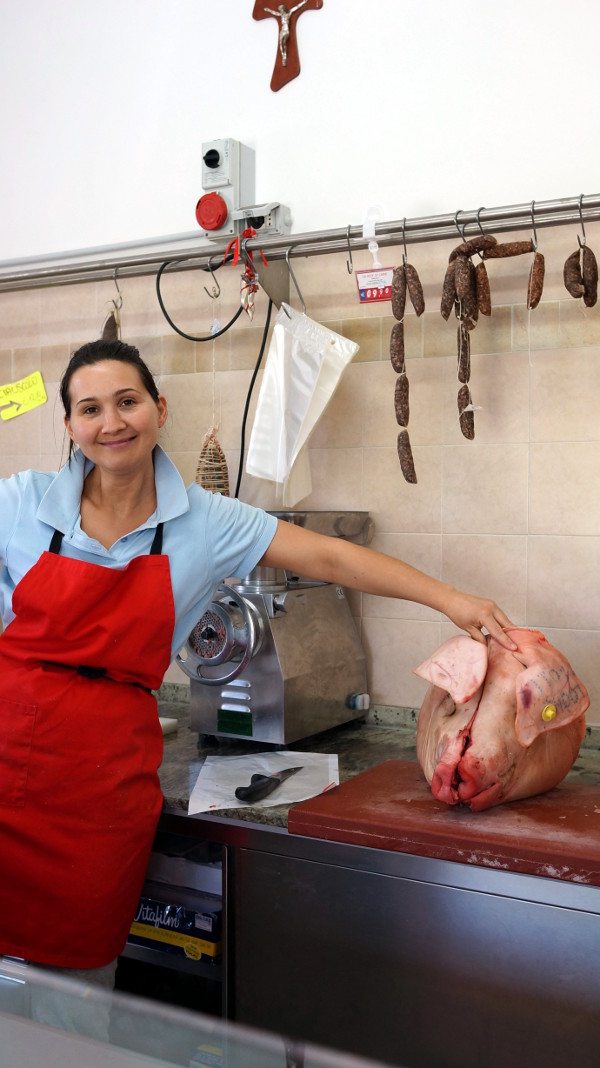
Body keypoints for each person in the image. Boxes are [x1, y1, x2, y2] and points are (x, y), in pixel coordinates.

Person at [0, 339, 515, 1016]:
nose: (111, 422)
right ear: (68, 424)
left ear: (158, 407)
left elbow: (334, 558)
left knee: (77, 993)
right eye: (89, 408)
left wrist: (451, 600)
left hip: (101, 782)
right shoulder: (19, 501)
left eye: (127, 402)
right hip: (8, 749)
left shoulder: (207, 523)